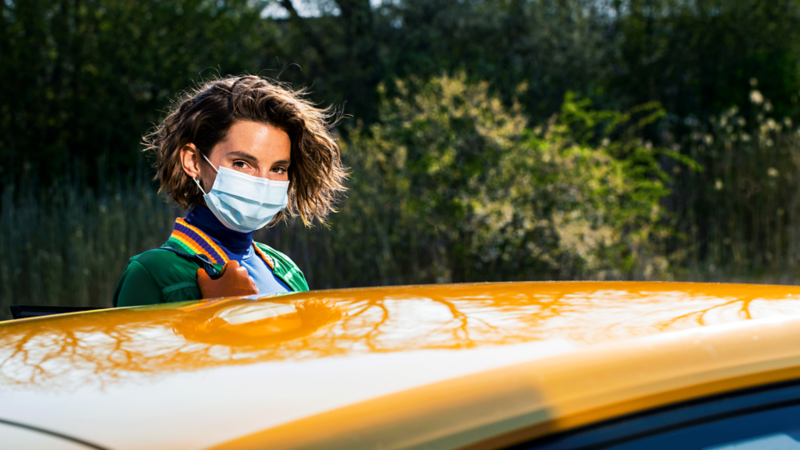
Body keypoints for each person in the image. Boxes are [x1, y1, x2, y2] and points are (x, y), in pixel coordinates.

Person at [113, 75, 346, 307]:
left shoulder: (288, 272)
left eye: (278, 168)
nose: (263, 182)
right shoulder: (152, 274)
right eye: (241, 164)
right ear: (193, 161)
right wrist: (218, 312)